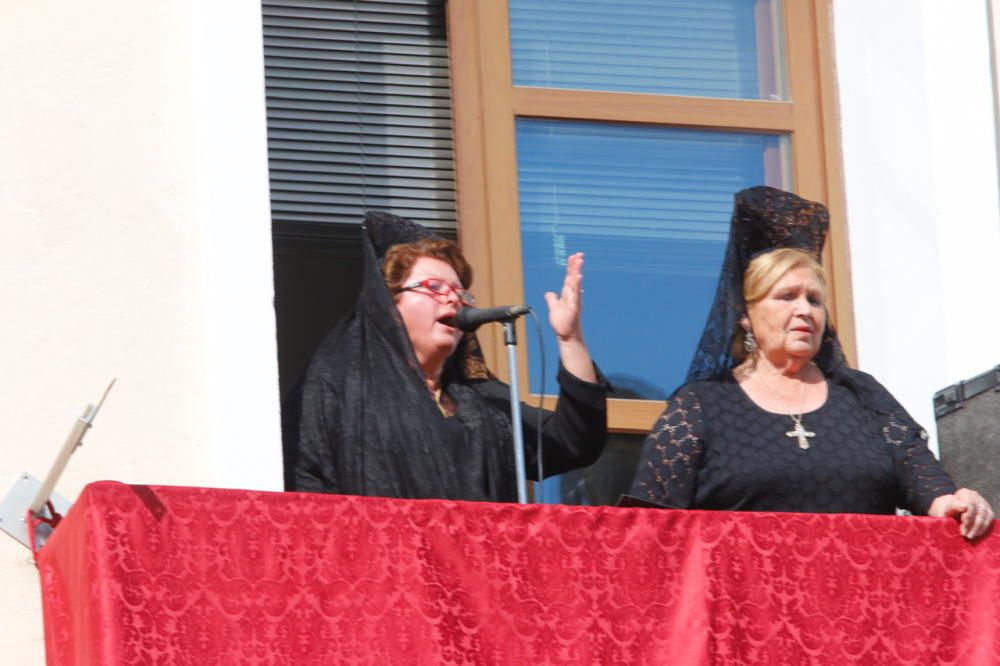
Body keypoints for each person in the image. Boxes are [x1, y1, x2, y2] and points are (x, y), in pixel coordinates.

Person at [630, 186, 994, 539]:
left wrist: (954, 503)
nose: (804, 310)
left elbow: (924, 481)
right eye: (787, 297)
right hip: (742, 598)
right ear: (745, 314)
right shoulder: (701, 405)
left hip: (861, 593)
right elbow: (651, 530)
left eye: (814, 300)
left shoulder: (862, 395)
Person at [283, 211, 608, 501]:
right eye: (434, 287)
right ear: (388, 304)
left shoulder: (483, 403)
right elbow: (306, 488)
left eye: (460, 293)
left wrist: (570, 338)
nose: (453, 300)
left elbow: (573, 443)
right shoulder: (336, 384)